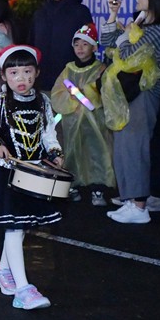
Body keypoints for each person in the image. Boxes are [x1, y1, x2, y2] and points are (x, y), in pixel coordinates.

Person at [0, 45, 62, 310]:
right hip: (6, 175)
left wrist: (55, 152)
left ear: (37, 73)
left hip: (33, 174)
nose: (22, 78)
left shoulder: (43, 102)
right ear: (4, 76)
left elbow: (48, 133)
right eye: (14, 73)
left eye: (27, 72)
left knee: (20, 225)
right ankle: (23, 288)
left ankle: (2, 271)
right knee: (15, 227)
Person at [101, 0, 160, 224]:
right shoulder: (141, 23)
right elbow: (106, 41)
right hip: (126, 91)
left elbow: (128, 55)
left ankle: (139, 206)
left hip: (142, 92)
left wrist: (126, 35)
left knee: (135, 148)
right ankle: (130, 200)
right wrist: (113, 15)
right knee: (124, 147)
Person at [50, 24, 115, 206]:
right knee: (72, 150)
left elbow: (104, 92)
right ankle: (73, 184)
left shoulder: (100, 68)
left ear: (94, 47)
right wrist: (71, 96)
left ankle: (98, 187)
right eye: (76, 44)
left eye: (85, 44)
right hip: (72, 119)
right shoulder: (68, 68)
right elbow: (58, 90)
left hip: (95, 121)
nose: (80, 48)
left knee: (97, 150)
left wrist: (85, 92)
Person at [31, 0, 93, 91]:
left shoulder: (80, 11)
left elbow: (89, 43)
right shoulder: (40, 12)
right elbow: (31, 42)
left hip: (71, 81)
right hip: (41, 80)